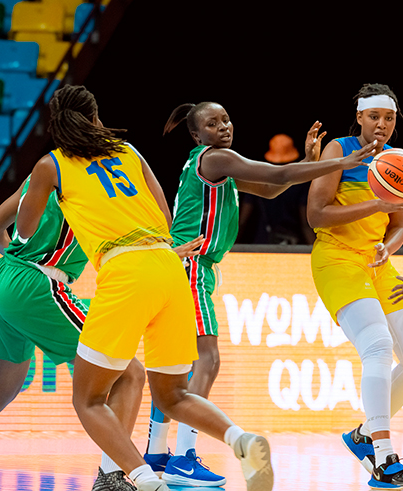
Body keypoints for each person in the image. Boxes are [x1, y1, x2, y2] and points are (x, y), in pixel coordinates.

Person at [15, 85, 282, 491]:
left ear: (55, 123)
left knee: (87, 399)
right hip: (170, 266)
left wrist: (55, 200)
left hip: (125, 270)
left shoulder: (50, 165)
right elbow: (163, 213)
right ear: (96, 116)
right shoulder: (128, 151)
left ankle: (142, 478)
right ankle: (239, 440)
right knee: (172, 393)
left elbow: (24, 231)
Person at [143, 100, 378, 487]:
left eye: (226, 120)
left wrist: (306, 161)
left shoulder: (219, 167)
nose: (223, 127)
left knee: (176, 366)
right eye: (212, 123)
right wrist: (340, 163)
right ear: (196, 134)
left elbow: (273, 187)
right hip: (189, 266)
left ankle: (156, 452)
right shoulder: (216, 159)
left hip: (186, 268)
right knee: (208, 360)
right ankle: (184, 455)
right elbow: (279, 171)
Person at [0, 175, 148, 491]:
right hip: (39, 286)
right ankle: (111, 479)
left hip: (1, 279)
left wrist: (20, 266)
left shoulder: (40, 174)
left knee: (0, 389)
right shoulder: (94, 182)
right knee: (130, 374)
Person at [307, 83, 403, 490]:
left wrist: (387, 246)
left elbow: (399, 227)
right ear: (359, 117)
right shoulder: (338, 151)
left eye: (390, 117)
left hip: (378, 265)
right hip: (337, 259)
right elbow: (317, 214)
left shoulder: (400, 161)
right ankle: (384, 457)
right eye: (374, 116)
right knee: (378, 347)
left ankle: (362, 436)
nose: (382, 124)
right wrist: (377, 205)